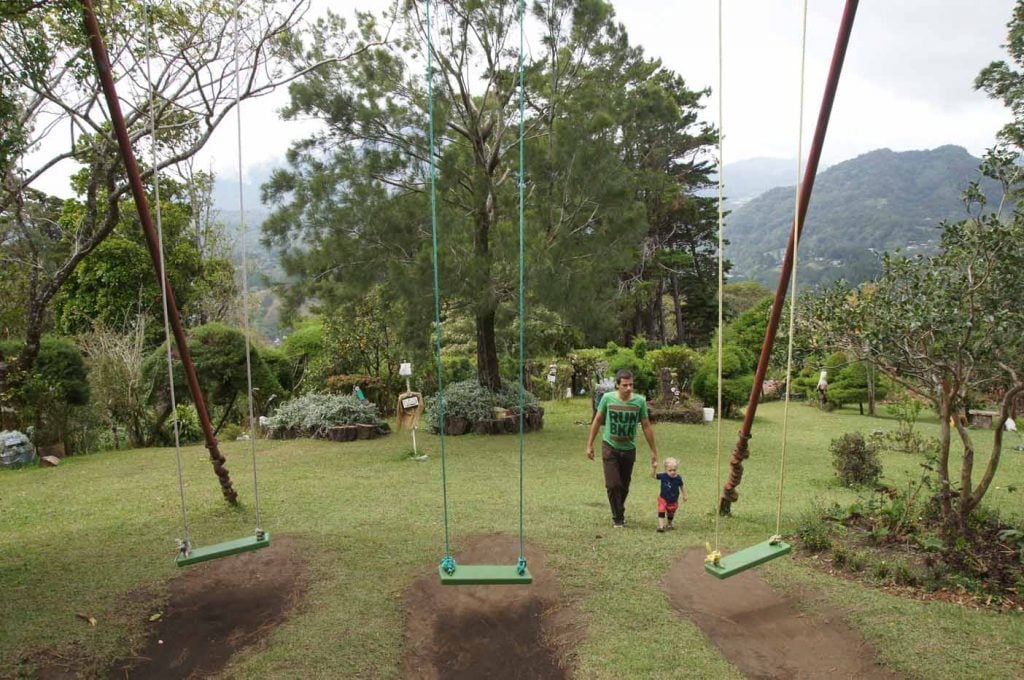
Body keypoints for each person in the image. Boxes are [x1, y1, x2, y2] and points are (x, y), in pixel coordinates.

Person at [586, 369, 658, 528]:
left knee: (624, 486)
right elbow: (597, 420)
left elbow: (646, 426)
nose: (629, 388)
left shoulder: (639, 401)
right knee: (613, 485)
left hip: (629, 449)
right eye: (625, 385)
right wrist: (589, 444)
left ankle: (619, 510)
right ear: (617, 385)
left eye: (631, 385)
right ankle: (618, 518)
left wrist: (653, 451)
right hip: (610, 446)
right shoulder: (607, 398)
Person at [651, 457, 687, 532]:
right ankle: (661, 527)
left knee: (671, 513)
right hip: (663, 499)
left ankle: (669, 523)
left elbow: (682, 486)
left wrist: (684, 495)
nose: (672, 472)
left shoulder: (678, 478)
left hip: (673, 500)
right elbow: (653, 476)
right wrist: (654, 468)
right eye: (670, 470)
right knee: (661, 509)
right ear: (665, 470)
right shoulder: (663, 476)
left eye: (674, 470)